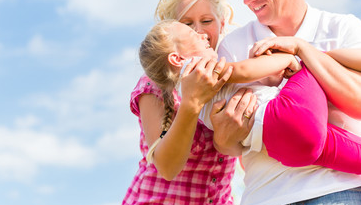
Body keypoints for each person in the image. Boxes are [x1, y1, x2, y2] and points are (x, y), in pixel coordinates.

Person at [213, 0, 361, 205]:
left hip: (340, 199)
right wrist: (226, 134)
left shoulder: (343, 30)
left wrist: (304, 52)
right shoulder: (234, 46)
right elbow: (226, 145)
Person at [119, 0, 255, 205]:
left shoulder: (234, 74)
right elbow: (167, 166)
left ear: (221, 23)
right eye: (187, 24)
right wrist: (191, 102)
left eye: (206, 21)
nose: (200, 30)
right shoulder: (156, 85)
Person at [139, 19, 361, 175]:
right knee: (316, 60)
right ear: (177, 59)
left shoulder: (184, 89)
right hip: (285, 116)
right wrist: (290, 55)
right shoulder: (200, 71)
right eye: (190, 33)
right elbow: (244, 71)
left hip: (280, 147)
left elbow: (256, 84)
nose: (202, 34)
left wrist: (271, 77)